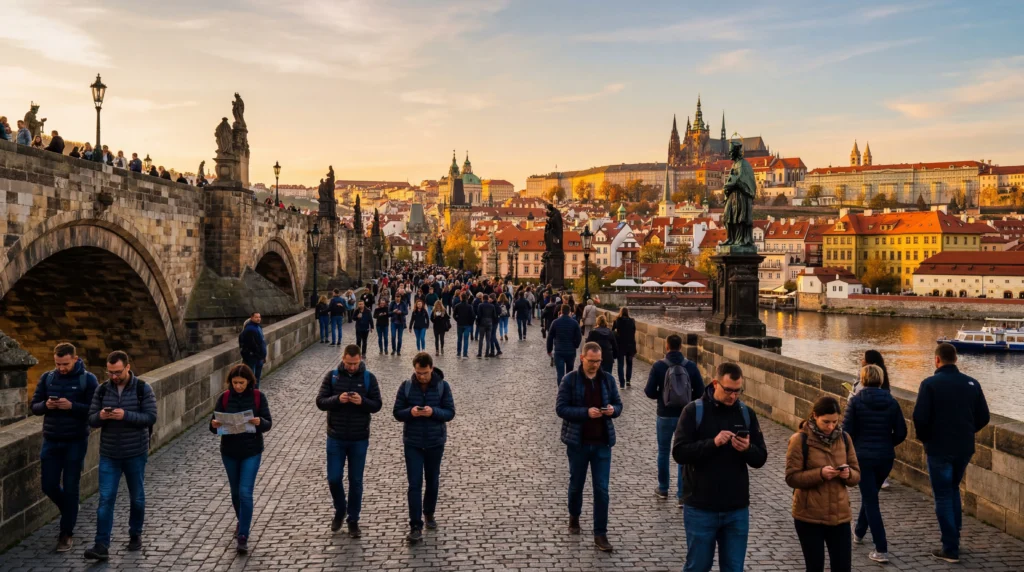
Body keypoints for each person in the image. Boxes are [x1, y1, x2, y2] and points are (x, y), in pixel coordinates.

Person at [673, 362, 768, 572]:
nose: (733, 396)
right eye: (728, 390)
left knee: (734, 568)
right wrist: (712, 443)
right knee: (698, 567)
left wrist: (747, 449)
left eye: (737, 391)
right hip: (700, 507)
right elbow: (679, 453)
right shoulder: (693, 411)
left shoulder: (746, 414)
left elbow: (760, 458)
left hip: (736, 509)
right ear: (715, 383)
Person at [912, 342, 990, 564]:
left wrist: (927, 438)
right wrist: (966, 432)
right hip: (964, 448)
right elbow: (984, 417)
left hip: (939, 448)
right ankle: (954, 537)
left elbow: (920, 417)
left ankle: (950, 548)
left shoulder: (930, 384)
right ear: (955, 359)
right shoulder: (972, 383)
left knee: (944, 494)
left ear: (937, 360)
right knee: (953, 489)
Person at [84, 351, 158, 561]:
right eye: (110, 372)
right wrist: (100, 415)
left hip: (135, 452)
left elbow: (151, 417)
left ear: (127, 367)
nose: (114, 376)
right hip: (109, 453)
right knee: (106, 498)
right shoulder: (101, 390)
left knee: (137, 498)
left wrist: (125, 415)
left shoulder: (143, 389)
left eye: (117, 372)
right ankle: (101, 544)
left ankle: (135, 533)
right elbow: (91, 419)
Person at [29, 343, 99, 553]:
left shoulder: (88, 379)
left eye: (65, 364)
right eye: (58, 363)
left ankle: (66, 534)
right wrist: (46, 406)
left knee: (71, 487)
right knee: (48, 485)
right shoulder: (47, 378)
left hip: (75, 441)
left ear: (75, 359)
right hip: (51, 440)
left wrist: (71, 406)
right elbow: (34, 407)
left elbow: (94, 411)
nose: (61, 367)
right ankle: (70, 508)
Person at [555, 342, 623, 552]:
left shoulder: (608, 380)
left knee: (602, 489)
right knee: (576, 484)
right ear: (582, 358)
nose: (595, 365)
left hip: (602, 443)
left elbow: (619, 405)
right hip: (578, 443)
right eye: (592, 361)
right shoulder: (570, 380)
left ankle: (600, 534)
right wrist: (585, 412)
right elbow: (561, 408)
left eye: (598, 361)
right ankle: (574, 515)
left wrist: (613, 409)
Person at [786, 396, 861, 572]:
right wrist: (820, 474)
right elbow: (791, 478)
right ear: (814, 416)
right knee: (814, 567)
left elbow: (857, 474)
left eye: (834, 422)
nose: (830, 427)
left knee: (843, 567)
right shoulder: (800, 440)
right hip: (809, 516)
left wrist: (848, 474)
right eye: (826, 422)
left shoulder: (845, 438)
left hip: (840, 515)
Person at [843, 364, 907, 564]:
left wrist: (854, 449)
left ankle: (881, 548)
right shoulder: (892, 401)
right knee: (870, 494)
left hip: (863, 457)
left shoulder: (855, 401)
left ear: (862, 379)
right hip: (885, 458)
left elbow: (846, 432)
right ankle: (859, 532)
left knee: (871, 499)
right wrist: (888, 443)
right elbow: (902, 432)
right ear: (880, 379)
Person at [316, 344, 383, 539]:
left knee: (356, 481)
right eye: (348, 363)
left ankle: (353, 519)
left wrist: (362, 402)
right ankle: (340, 508)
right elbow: (320, 401)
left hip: (359, 437)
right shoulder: (332, 376)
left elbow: (377, 405)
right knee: (334, 478)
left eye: (355, 363)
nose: (352, 367)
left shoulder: (369, 378)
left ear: (360, 359)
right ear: (343, 359)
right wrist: (338, 399)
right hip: (335, 436)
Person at [393, 352, 456, 543]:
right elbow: (397, 413)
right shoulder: (406, 386)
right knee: (414, 484)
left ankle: (429, 512)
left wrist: (432, 412)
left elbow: (450, 412)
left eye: (425, 373)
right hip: (412, 442)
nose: (421, 376)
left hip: (435, 441)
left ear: (431, 369)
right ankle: (415, 525)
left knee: (432, 480)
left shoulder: (442, 386)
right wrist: (411, 412)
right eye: (418, 373)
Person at [209, 364, 272, 554]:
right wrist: (214, 424)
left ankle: (243, 535)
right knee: (235, 493)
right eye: (235, 383)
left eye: (241, 383)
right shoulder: (224, 398)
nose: (237, 386)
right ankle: (241, 520)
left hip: (251, 451)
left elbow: (268, 423)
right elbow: (213, 427)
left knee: (245, 492)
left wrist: (260, 422)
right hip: (229, 451)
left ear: (249, 381)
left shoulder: (258, 397)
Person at [645, 333, 704, 505]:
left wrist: (662, 396)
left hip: (664, 414)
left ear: (667, 346)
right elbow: (700, 391)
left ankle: (663, 489)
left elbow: (648, 391)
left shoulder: (659, 366)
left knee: (663, 452)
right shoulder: (691, 366)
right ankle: (682, 494)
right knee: (683, 454)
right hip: (686, 416)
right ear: (681, 347)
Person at [547, 304, 583, 384]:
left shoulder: (555, 322)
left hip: (559, 351)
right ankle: (569, 390)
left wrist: (549, 349)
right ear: (569, 312)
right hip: (570, 351)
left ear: (561, 311)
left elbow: (550, 337)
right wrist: (575, 345)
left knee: (560, 373)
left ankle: (561, 390)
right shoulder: (574, 323)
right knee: (570, 373)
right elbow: (579, 336)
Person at [238, 312, 267, 387]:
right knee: (251, 378)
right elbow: (251, 345)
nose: (258, 319)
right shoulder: (250, 329)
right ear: (251, 318)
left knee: (256, 378)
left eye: (259, 317)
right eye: (256, 317)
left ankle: (256, 393)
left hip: (259, 357)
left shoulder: (258, 327)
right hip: (252, 358)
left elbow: (261, 343)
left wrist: (263, 356)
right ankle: (251, 393)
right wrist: (259, 355)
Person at [612, 308, 637, 388]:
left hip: (620, 345)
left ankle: (622, 384)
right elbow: (633, 332)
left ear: (621, 312)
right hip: (630, 345)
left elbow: (612, 331)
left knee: (620, 364)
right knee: (629, 363)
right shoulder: (632, 321)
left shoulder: (617, 321)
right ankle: (628, 381)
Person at [453, 292, 475, 358]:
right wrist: (470, 323)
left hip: (460, 324)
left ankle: (458, 353)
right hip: (467, 325)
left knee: (459, 339)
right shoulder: (469, 306)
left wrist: (457, 320)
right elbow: (473, 316)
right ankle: (465, 354)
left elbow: (454, 315)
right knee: (466, 340)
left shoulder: (457, 306)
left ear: (461, 297)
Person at [475, 294, 497, 358]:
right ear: (488, 299)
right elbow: (494, 315)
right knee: (488, 339)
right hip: (489, 323)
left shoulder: (480, 305)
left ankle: (479, 353)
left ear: (482, 298)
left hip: (482, 323)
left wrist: (478, 323)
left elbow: (479, 315)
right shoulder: (492, 306)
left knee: (481, 339)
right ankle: (487, 353)